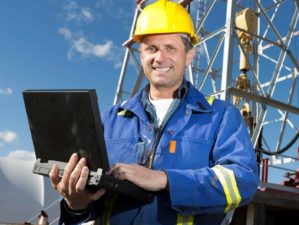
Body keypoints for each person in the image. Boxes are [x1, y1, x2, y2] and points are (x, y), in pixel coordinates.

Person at [49, 0, 258, 224]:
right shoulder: (110, 120)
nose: (160, 58)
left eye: (170, 48)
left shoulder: (221, 116)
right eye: (152, 48)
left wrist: (166, 180)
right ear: (141, 55)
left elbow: (243, 181)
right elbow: (91, 206)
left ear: (189, 56)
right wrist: (76, 206)